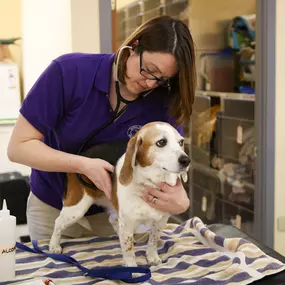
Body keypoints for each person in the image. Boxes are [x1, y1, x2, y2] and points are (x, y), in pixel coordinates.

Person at [7, 15, 196, 240]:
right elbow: (18, 148)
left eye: (163, 79)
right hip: (56, 207)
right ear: (134, 47)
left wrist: (180, 200)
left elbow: (172, 162)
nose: (150, 83)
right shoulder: (69, 72)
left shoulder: (162, 100)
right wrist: (82, 165)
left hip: (122, 214)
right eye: (149, 69)